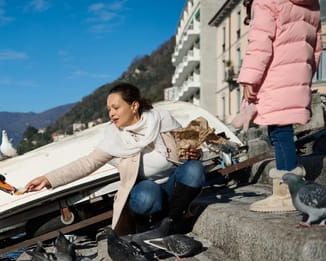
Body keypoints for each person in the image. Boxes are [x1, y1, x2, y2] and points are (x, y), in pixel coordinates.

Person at [25, 82, 205, 236]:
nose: (111, 113)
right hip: (147, 187)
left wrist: (195, 153)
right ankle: (146, 226)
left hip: (174, 182)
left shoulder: (162, 118)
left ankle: (172, 221)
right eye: (109, 109)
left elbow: (189, 145)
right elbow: (87, 163)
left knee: (194, 169)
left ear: (134, 106)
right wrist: (48, 179)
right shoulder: (113, 136)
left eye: (116, 108)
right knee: (145, 196)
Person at [237, 0, 321, 212]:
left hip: (275, 75)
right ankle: (289, 189)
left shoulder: (267, 2)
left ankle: (285, 192)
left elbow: (259, 44)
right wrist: (305, 75)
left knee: (279, 132)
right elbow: (317, 48)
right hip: (296, 75)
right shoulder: (311, 5)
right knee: (284, 130)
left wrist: (249, 78)